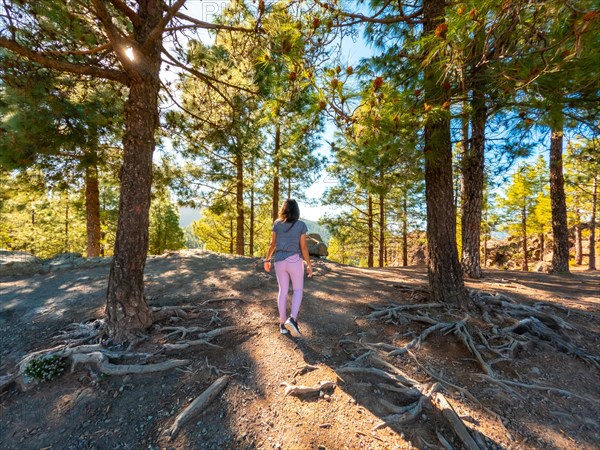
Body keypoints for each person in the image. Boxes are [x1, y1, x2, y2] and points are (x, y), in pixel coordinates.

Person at [264, 199, 313, 336]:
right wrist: (309, 264)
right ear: (296, 210)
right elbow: (303, 247)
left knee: (283, 291)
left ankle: (282, 324)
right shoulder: (301, 225)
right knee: (297, 290)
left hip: (279, 261)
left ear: (283, 209)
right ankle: (292, 319)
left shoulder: (277, 224)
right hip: (294, 261)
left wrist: (267, 260)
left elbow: (272, 244)